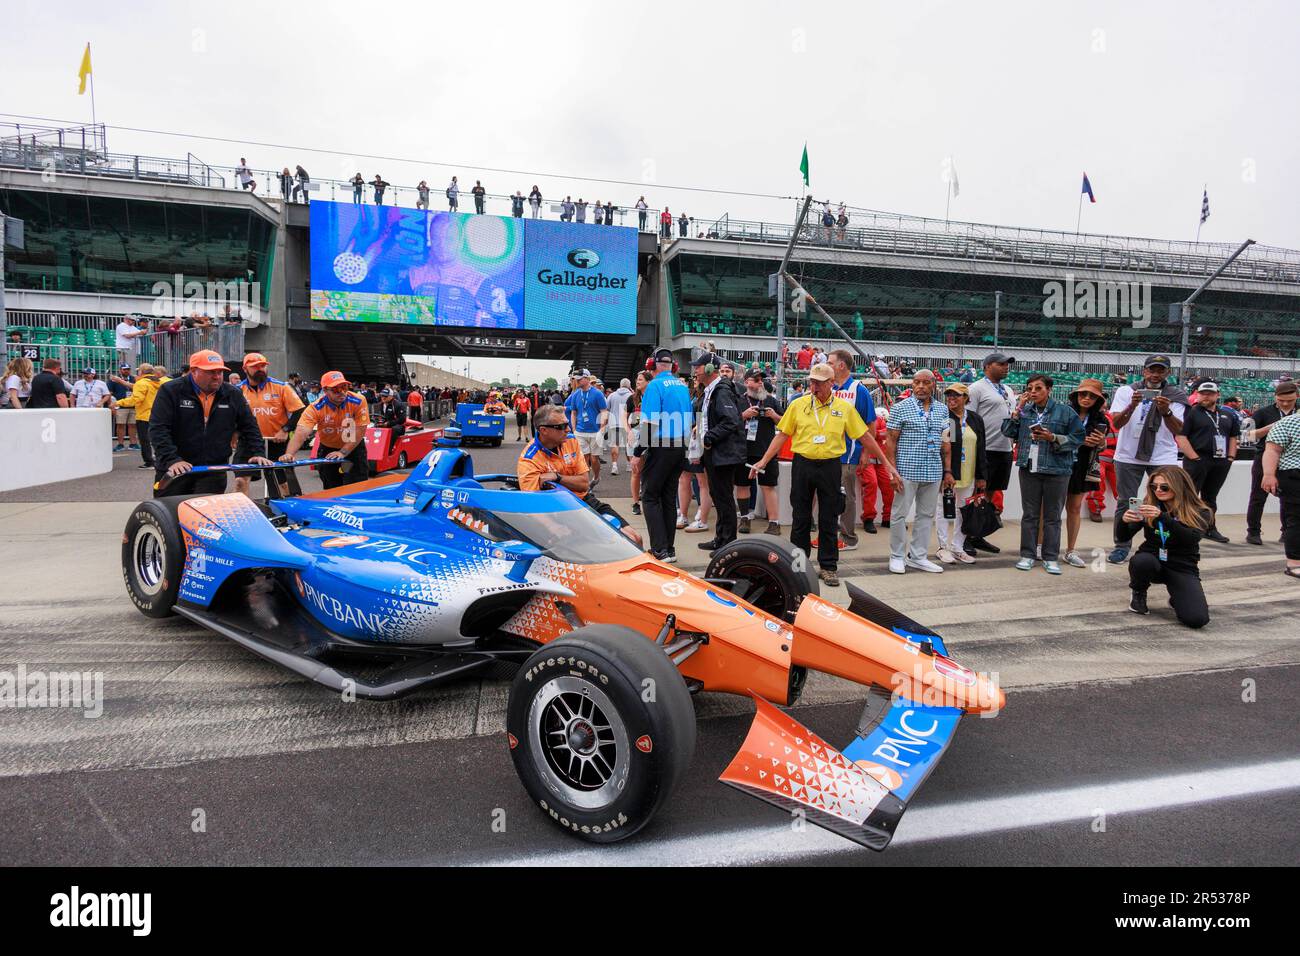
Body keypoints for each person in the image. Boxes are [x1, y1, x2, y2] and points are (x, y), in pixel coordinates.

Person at [750, 363, 895, 586]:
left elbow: (865, 436)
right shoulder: (798, 404)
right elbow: (782, 435)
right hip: (803, 465)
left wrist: (885, 463)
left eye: (819, 382)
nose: (814, 386)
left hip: (830, 466)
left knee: (828, 518)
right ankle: (798, 565)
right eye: (812, 381)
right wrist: (763, 460)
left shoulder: (844, 408)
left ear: (831, 384)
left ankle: (828, 567)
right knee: (801, 517)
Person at [148, 350, 271, 497]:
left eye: (220, 372)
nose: (217, 376)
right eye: (211, 372)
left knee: (205, 516)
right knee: (171, 515)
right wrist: (172, 460)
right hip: (175, 469)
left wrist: (258, 452)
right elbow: (158, 428)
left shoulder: (232, 393)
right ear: (194, 371)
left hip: (213, 469)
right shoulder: (170, 390)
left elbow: (250, 426)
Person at [518, 404, 642, 547]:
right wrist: (553, 527)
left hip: (583, 500)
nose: (568, 429)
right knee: (614, 545)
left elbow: (584, 483)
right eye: (562, 426)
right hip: (557, 511)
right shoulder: (529, 459)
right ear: (543, 430)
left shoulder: (571, 441)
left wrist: (557, 477)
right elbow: (532, 505)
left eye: (568, 424)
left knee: (634, 538)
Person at [1001, 373, 1086, 574]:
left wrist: (1053, 437)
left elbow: (1078, 437)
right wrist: (1017, 410)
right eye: (1030, 388)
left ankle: (1050, 557)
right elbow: (1007, 432)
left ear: (1049, 389)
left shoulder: (1065, 412)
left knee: (1052, 516)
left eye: (1038, 388)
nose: (1033, 392)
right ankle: (1027, 555)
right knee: (1029, 515)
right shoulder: (1025, 411)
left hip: (1057, 470)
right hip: (1029, 467)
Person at [1107, 355, 1187, 564]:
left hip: (1162, 456)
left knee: (1167, 502)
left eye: (1160, 370)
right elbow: (1116, 424)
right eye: (1152, 370)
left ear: (1168, 373)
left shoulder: (1175, 395)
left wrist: (1166, 411)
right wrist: (1131, 406)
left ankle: (1162, 544)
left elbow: (1179, 430)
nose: (1155, 374)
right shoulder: (1126, 391)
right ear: (1144, 371)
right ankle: (1122, 545)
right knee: (1127, 501)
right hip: (1128, 455)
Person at [1121, 466, 1211, 627]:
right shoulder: (1150, 506)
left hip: (1181, 566)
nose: (1158, 490)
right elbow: (1122, 538)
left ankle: (1178, 597)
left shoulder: (1199, 511)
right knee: (1141, 561)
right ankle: (1138, 592)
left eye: (1164, 487)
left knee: (1197, 620)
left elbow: (1191, 538)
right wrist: (1124, 522)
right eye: (1153, 486)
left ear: (1178, 486)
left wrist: (1162, 518)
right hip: (1153, 560)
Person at [884, 370, 952, 574]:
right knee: (899, 515)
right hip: (906, 470)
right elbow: (890, 442)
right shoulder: (900, 408)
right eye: (917, 382)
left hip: (933, 470)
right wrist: (892, 472)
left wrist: (948, 471)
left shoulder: (943, 410)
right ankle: (897, 556)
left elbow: (947, 441)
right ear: (912, 385)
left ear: (933, 385)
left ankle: (918, 556)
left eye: (925, 382)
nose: (920, 386)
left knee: (926, 515)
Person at [638, 348, 693, 562]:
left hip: (661, 445)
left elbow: (649, 422)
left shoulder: (654, 386)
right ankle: (669, 549)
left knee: (650, 496)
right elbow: (689, 420)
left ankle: (659, 550)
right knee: (669, 499)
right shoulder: (682, 386)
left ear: (653, 366)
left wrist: (637, 451)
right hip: (680, 446)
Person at [691, 352, 745, 552]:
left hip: (723, 453)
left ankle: (728, 542)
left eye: (698, 366)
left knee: (723, 497)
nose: (695, 370)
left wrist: (708, 437)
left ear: (709, 368)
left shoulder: (721, 390)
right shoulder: (710, 391)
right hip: (714, 453)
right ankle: (720, 538)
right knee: (717, 494)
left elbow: (731, 420)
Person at [280, 371, 370, 490]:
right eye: (336, 390)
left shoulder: (358, 400)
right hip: (328, 448)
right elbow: (301, 432)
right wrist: (289, 454)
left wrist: (343, 452)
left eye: (344, 387)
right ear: (325, 390)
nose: (342, 392)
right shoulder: (315, 408)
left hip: (354, 447)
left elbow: (360, 430)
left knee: (357, 487)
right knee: (331, 488)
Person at [964, 353, 1017, 555]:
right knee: (974, 494)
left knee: (989, 494)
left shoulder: (1008, 390)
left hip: (1003, 448)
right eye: (1001, 364)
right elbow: (967, 418)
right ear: (987, 366)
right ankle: (965, 537)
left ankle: (977, 535)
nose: (1006, 367)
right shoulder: (976, 388)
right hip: (984, 449)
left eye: (1007, 364)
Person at [236, 353, 306, 497]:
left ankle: (286, 515)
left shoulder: (281, 387)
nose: (260, 369)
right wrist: (233, 433)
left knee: (283, 483)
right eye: (255, 367)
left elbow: (300, 411)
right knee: (240, 482)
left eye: (263, 366)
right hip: (248, 442)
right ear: (245, 369)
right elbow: (231, 416)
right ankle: (242, 516)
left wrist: (285, 429)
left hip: (277, 440)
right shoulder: (237, 390)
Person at [1178, 382, 1239, 544]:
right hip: (1197, 459)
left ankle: (1209, 528)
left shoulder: (1227, 414)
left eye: (1210, 393)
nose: (1206, 396)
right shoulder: (1190, 413)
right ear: (1197, 394)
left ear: (1217, 395)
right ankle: (1185, 527)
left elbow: (1233, 437)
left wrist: (1231, 458)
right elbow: (1181, 437)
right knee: (1190, 495)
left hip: (1220, 460)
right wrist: (1194, 457)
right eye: (1203, 393)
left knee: (1210, 497)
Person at [828, 348, 876, 551]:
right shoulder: (828, 387)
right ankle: (830, 536)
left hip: (849, 453)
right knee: (830, 496)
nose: (827, 366)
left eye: (830, 363)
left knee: (846, 496)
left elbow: (870, 424)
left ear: (841, 365)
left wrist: (866, 452)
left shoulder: (859, 389)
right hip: (827, 452)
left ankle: (848, 538)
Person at [935, 383, 987, 564]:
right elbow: (944, 448)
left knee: (965, 510)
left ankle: (958, 546)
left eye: (956, 395)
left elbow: (981, 449)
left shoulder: (975, 419)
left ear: (966, 398)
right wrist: (945, 473)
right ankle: (943, 547)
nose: (951, 398)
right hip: (950, 473)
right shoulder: (945, 418)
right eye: (949, 395)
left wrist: (981, 476)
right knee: (943, 509)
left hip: (969, 472)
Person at [1061, 379, 1110, 567]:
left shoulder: (1101, 419)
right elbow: (1055, 439)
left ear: (1098, 400)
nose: (1087, 398)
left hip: (1083, 466)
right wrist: (1080, 442)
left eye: (1092, 396)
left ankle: (1070, 551)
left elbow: (1103, 445)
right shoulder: (1064, 413)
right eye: (1083, 394)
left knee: (1074, 508)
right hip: (1060, 463)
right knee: (1050, 509)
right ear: (1076, 395)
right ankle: (1042, 548)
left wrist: (1101, 443)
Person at [1245, 380, 1296, 546]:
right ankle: (1253, 531)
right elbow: (1247, 436)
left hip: (1290, 459)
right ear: (1275, 397)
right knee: (1258, 496)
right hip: (1264, 457)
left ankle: (1287, 531)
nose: (1286, 403)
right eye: (1281, 400)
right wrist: (1273, 427)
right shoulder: (1262, 413)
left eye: (1290, 400)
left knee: (1289, 497)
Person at [736, 368, 784, 535]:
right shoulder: (739, 401)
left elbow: (785, 423)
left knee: (768, 486)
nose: (760, 382)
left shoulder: (771, 401)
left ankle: (774, 523)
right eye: (756, 380)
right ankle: (745, 518)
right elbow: (730, 422)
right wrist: (744, 415)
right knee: (742, 485)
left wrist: (774, 416)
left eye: (762, 380)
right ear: (747, 382)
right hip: (744, 450)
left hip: (767, 451)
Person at [1260, 409, 1300, 580]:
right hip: (1294, 475)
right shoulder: (1288, 422)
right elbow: (1272, 450)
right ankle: (1294, 563)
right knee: (1297, 519)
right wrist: (1268, 474)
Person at [115, 363, 168, 469]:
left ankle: (149, 462)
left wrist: (118, 402)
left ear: (141, 372)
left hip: (144, 415)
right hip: (158, 414)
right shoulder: (160, 381)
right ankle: (161, 460)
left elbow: (136, 399)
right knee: (158, 439)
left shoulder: (141, 383)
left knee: (144, 440)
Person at [565, 370, 608, 488]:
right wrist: (574, 429)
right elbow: (573, 412)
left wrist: (602, 429)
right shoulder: (575, 395)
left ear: (587, 379)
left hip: (595, 431)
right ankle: (586, 485)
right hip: (580, 431)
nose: (577, 381)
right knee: (584, 459)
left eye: (580, 378)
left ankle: (597, 476)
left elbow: (604, 412)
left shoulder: (597, 394)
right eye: (576, 379)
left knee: (594, 459)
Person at [858, 407, 894, 534]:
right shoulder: (875, 420)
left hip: (881, 462)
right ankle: (868, 518)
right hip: (868, 460)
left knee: (890, 487)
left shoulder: (889, 420)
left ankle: (888, 518)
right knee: (871, 485)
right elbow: (873, 434)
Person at [108, 364, 140, 451]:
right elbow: (109, 393)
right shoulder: (114, 380)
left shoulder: (134, 379)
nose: (126, 371)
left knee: (133, 425)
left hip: (133, 405)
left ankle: (133, 443)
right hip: (120, 406)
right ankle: (120, 444)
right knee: (120, 425)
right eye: (124, 369)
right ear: (120, 370)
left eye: (128, 369)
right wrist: (112, 406)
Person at [605, 378, 633, 475]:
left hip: (614, 423)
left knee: (615, 444)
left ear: (620, 385)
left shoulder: (612, 395)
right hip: (627, 424)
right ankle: (629, 465)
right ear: (629, 386)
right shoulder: (632, 396)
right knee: (628, 445)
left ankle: (614, 466)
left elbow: (607, 409)